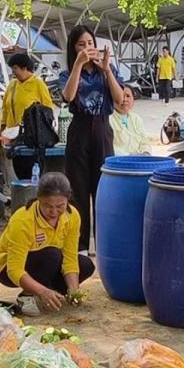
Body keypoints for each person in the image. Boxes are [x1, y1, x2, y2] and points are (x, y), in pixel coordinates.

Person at [0, 172, 96, 312]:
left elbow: (70, 258)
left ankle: (52, 293)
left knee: (86, 265)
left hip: (46, 261)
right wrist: (42, 291)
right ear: (39, 199)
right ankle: (27, 295)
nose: (54, 212)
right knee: (52, 254)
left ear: (68, 200)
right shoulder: (22, 220)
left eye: (60, 206)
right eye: (47, 206)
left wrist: (74, 291)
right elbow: (14, 270)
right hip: (6, 268)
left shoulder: (72, 216)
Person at [60, 26, 124, 252]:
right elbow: (68, 96)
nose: (87, 48)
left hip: (102, 129)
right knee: (77, 190)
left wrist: (107, 71)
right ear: (73, 49)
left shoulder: (107, 69)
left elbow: (119, 99)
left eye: (90, 43)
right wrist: (78, 65)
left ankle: (103, 245)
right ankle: (80, 247)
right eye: (81, 44)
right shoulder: (68, 73)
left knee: (103, 190)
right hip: (79, 130)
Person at [1, 52, 55, 133]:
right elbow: (5, 108)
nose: (13, 72)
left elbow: (48, 109)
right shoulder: (12, 85)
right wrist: (3, 126)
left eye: (15, 68)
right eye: (12, 69)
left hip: (31, 133)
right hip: (11, 132)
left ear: (24, 68)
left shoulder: (38, 84)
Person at [110, 83, 150, 155]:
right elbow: (109, 147)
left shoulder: (137, 119)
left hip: (139, 159)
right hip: (119, 160)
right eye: (121, 95)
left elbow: (145, 142)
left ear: (133, 99)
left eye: (128, 96)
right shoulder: (107, 119)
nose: (124, 99)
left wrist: (145, 153)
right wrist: (129, 156)